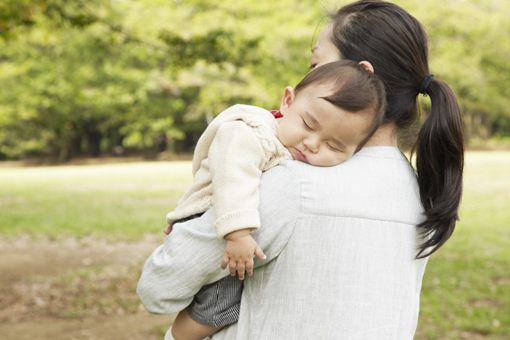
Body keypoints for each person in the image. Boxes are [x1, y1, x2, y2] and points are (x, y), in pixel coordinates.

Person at [137, 1, 464, 339]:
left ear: (363, 73)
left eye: (315, 63)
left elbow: (159, 288)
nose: (308, 75)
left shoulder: (292, 184)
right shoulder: (420, 191)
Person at [161, 59, 386, 340]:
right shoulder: (253, 133)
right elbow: (233, 176)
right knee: (217, 308)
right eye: (308, 124)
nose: (312, 144)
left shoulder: (290, 150)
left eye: (334, 145)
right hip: (221, 222)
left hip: (218, 219)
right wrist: (238, 234)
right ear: (287, 100)